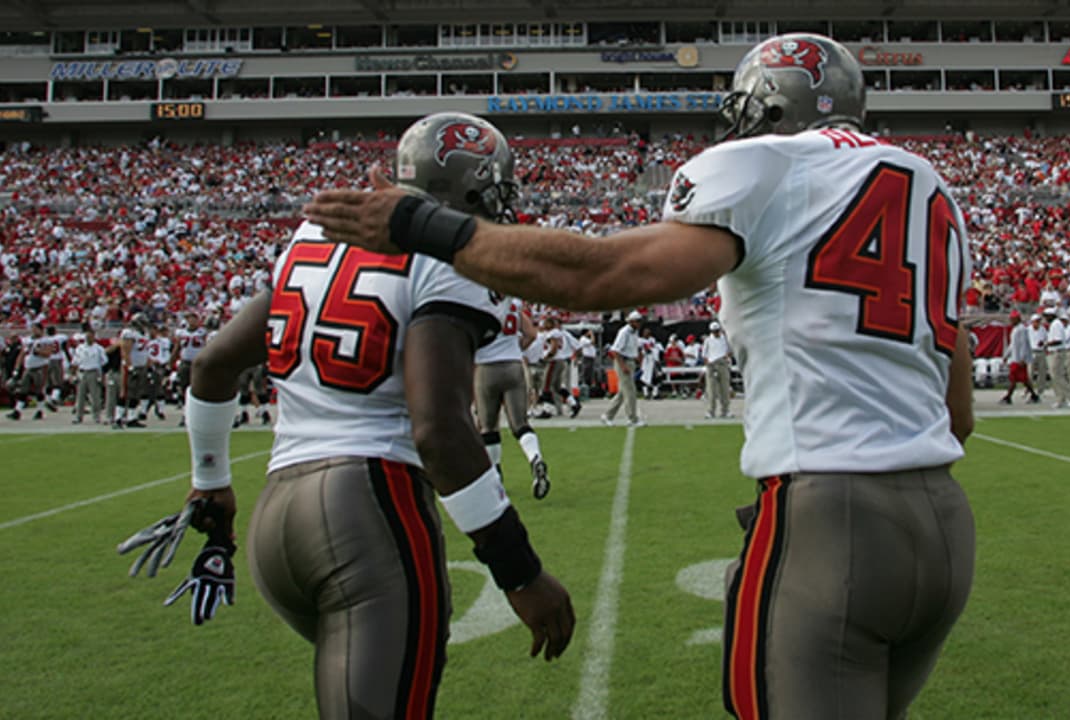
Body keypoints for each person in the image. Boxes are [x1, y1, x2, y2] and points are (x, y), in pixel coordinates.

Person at [305, 33, 974, 719]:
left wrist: (425, 223)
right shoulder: (934, 190)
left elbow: (603, 275)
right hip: (943, 527)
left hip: (831, 518)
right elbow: (959, 412)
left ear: (772, 105)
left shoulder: (765, 163)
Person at [139, 112, 574, 719]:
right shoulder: (448, 256)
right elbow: (440, 431)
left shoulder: (314, 237)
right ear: (472, 189)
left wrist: (210, 481)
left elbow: (212, 364)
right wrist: (519, 571)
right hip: (368, 512)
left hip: (277, 518)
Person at [475, 293, 552, 499]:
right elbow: (531, 334)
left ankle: (495, 476)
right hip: (513, 365)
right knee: (520, 423)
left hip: (486, 367)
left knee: (488, 426)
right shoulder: (515, 303)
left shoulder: (477, 299)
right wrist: (515, 350)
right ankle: (535, 458)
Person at [602, 311, 643, 426]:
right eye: (638, 321)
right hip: (623, 362)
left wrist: (636, 358)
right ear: (632, 321)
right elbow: (615, 351)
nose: (640, 323)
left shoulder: (635, 332)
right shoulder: (624, 332)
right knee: (630, 391)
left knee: (622, 392)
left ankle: (607, 415)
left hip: (630, 361)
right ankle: (632, 418)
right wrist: (623, 366)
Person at [72, 325, 108, 425]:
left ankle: (96, 416)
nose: (88, 338)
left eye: (90, 336)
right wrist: (74, 375)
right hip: (82, 371)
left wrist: (101, 375)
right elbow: (75, 362)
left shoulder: (98, 348)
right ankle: (78, 416)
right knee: (80, 396)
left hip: (93, 372)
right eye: (87, 336)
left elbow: (104, 362)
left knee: (95, 396)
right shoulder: (80, 348)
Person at [1000, 310, 1038, 405]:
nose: (1011, 321)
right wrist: (1006, 355)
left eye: (1012, 319)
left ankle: (1008, 397)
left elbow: (1024, 345)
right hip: (1014, 357)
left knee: (1014, 378)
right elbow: (1012, 344)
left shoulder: (1022, 329)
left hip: (1019, 359)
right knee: (1023, 379)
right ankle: (1034, 395)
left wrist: (1022, 358)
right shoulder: (1015, 329)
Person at [702, 321, 733, 418]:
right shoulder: (708, 340)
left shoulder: (725, 339)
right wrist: (708, 364)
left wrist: (725, 357)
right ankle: (711, 411)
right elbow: (704, 355)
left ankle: (725, 410)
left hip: (722, 364)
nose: (715, 333)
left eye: (717, 331)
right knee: (711, 390)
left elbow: (730, 351)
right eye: (714, 331)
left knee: (725, 389)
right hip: (712, 365)